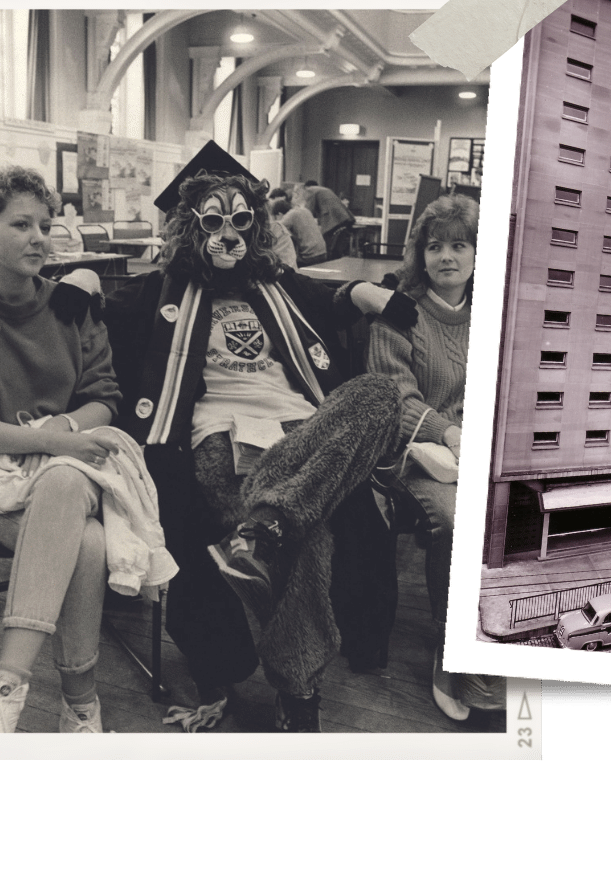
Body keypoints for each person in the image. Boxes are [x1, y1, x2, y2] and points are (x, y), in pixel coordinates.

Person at [101, 142, 418, 732]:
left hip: (301, 429)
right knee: (308, 532)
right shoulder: (163, 291)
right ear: (190, 228)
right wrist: (79, 281)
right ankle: (297, 691)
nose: (228, 234)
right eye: (213, 221)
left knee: (378, 394)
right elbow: (104, 302)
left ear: (258, 224)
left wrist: (368, 294)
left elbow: (332, 295)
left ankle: (265, 526)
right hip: (220, 439)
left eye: (240, 220)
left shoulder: (278, 287)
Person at [0, 167, 123, 733]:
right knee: (86, 543)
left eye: (46, 224)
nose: (40, 237)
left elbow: (104, 396)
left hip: (71, 467)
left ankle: (6, 687)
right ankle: (81, 707)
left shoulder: (71, 307)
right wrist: (54, 441)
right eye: (22, 224)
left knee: (63, 481)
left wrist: (60, 431)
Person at [364, 193, 503, 721]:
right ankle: (451, 660)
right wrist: (450, 433)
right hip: (414, 454)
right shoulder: (397, 312)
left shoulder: (490, 308)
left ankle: (494, 649)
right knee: (457, 520)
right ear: (419, 255)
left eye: (460, 245)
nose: (448, 256)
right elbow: (391, 396)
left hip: (478, 452)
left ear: (475, 253)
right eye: (435, 245)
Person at [272, 196, 328, 267]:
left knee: (284, 264)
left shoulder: (290, 215)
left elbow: (275, 228)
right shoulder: (305, 210)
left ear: (279, 214)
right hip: (323, 253)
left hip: (310, 257)